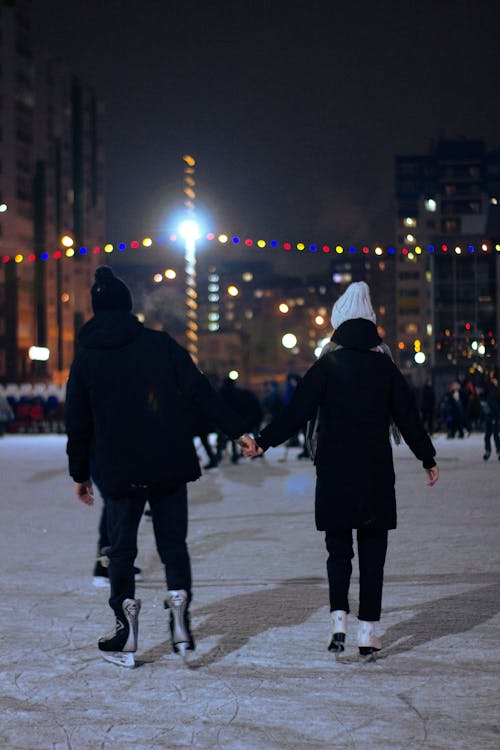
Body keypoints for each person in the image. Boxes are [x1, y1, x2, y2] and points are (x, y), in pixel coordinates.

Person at [241, 281, 438, 659]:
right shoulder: (385, 368)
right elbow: (409, 419)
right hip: (375, 472)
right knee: (373, 552)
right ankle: (368, 630)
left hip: (334, 470)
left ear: (339, 321)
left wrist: (263, 441)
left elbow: (295, 412)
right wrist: (427, 458)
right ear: (371, 322)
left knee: (338, 550)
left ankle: (337, 622)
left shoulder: (326, 366)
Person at [66, 266, 251, 667]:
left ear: (96, 311)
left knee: (121, 549)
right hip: (168, 460)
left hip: (118, 466)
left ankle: (125, 628)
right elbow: (201, 390)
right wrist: (237, 431)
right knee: (172, 544)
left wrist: (80, 473)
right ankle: (180, 611)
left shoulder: (86, 360)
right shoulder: (160, 345)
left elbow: (77, 422)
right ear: (128, 308)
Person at [479, 376, 500, 461]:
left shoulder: (489, 397)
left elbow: (496, 408)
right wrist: (481, 418)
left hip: (494, 419)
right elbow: (482, 410)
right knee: (487, 436)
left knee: (496, 436)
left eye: (479, 389)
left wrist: (497, 418)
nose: (477, 391)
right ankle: (488, 451)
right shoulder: (481, 397)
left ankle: (499, 451)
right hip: (488, 419)